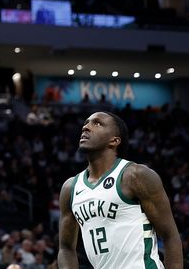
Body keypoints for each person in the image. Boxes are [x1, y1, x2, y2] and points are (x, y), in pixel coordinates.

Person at [57, 111, 182, 268]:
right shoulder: (70, 188)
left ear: (114, 141)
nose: (86, 127)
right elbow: (66, 248)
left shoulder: (135, 176)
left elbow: (170, 236)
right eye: (86, 123)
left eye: (97, 123)